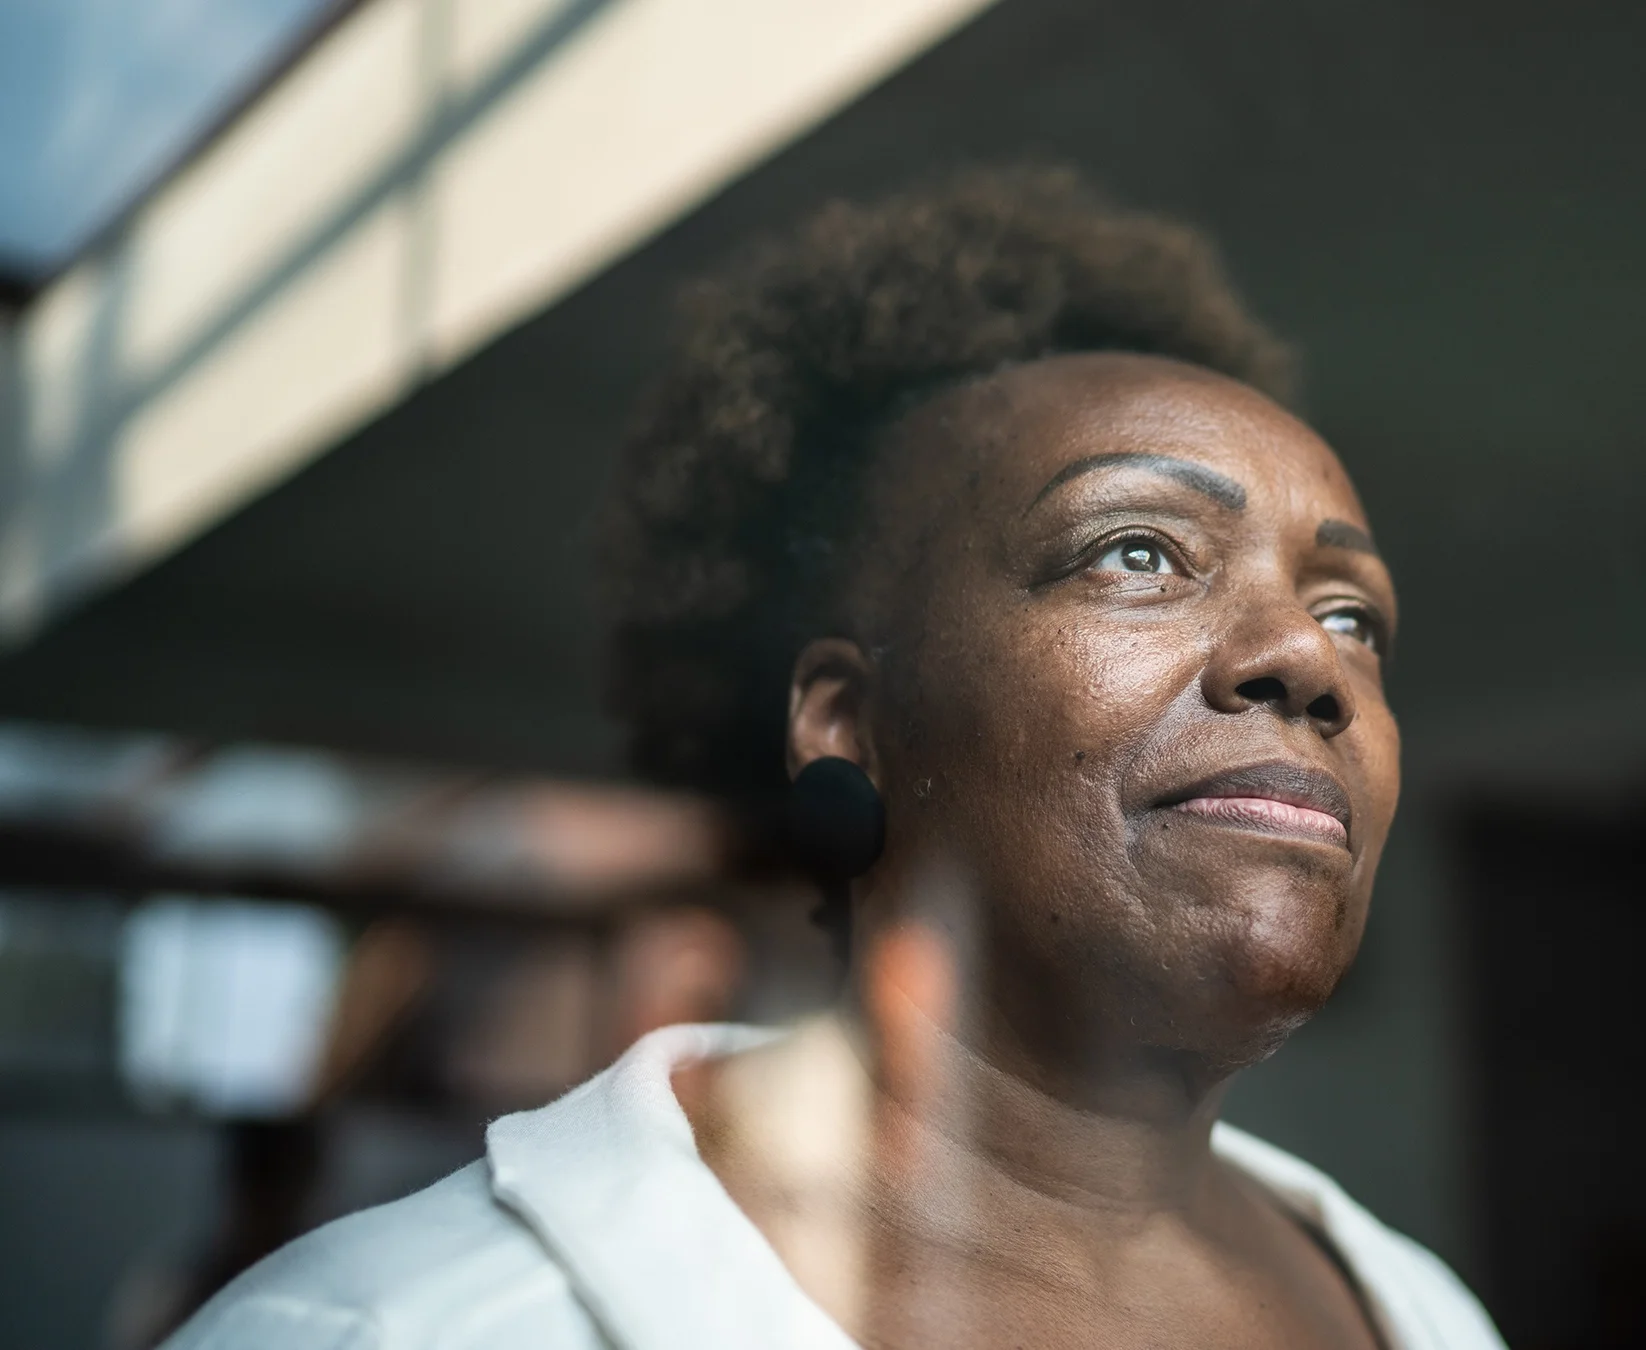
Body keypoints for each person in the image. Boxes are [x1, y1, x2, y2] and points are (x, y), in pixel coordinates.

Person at [162, 167, 1504, 1349]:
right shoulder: (388, 1327)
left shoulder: (1422, 1312)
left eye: (1353, 614)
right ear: (846, 720)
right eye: (1137, 551)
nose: (1308, 657)